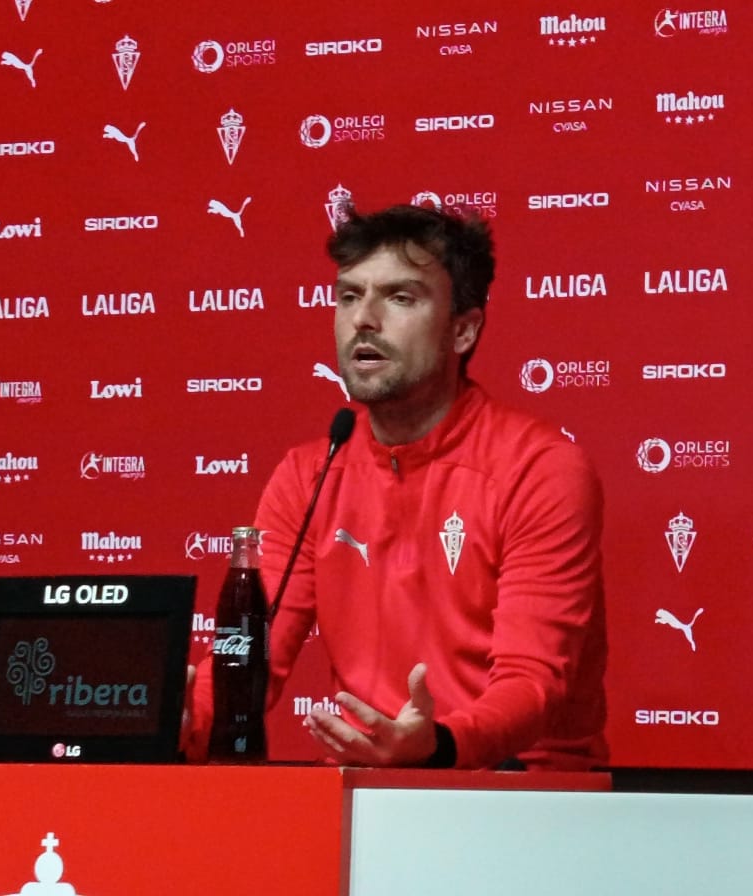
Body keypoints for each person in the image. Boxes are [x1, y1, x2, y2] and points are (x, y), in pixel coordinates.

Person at [184, 204, 608, 769]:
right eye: (349, 296)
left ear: (464, 330)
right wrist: (185, 723)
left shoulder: (540, 468)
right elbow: (246, 664)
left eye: (400, 298)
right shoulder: (307, 475)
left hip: (517, 793)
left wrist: (436, 746)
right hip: (365, 793)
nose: (364, 319)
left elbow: (532, 685)